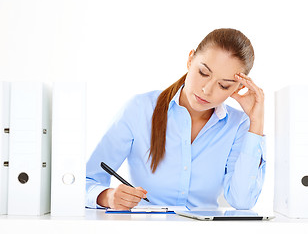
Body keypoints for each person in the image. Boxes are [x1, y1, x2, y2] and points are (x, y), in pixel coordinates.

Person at [86, 28, 266, 210]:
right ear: (190, 59)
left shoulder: (239, 125)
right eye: (203, 73)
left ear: (238, 87)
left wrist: (256, 123)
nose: (207, 90)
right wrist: (106, 197)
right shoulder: (140, 109)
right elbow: (86, 181)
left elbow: (242, 202)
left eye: (223, 85)